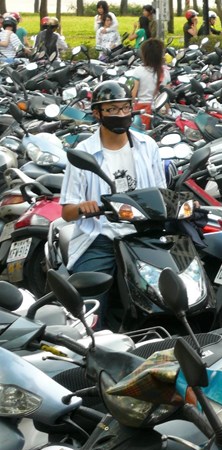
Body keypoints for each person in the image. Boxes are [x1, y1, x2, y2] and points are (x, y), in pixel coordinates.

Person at [60, 82, 165, 324]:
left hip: (142, 236)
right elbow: (67, 212)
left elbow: (161, 193)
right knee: (89, 309)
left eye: (125, 108)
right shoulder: (83, 153)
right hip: (100, 239)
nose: (120, 115)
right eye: (112, 110)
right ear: (97, 113)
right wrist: (83, 208)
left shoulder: (147, 146)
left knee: (166, 295)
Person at [130, 38, 168, 127]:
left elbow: (133, 94)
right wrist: (167, 110)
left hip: (142, 111)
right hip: (159, 110)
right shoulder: (165, 72)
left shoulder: (138, 71)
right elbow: (165, 95)